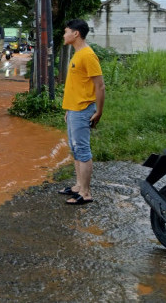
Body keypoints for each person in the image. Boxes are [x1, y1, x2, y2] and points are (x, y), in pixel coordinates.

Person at [59, 19, 105, 205]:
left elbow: (100, 86)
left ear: (75, 33)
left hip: (83, 109)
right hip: (74, 109)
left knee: (83, 150)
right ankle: (78, 185)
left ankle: (85, 193)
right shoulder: (77, 54)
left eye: (66, 31)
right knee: (75, 148)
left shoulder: (88, 55)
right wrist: (69, 110)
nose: (64, 35)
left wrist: (99, 112)